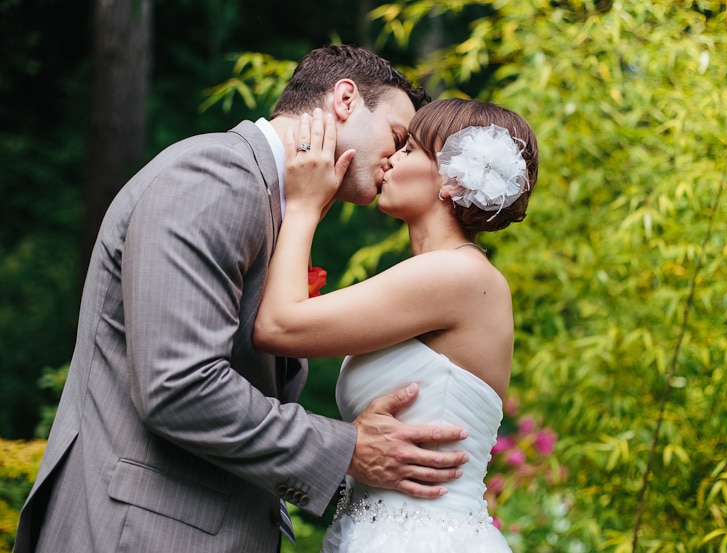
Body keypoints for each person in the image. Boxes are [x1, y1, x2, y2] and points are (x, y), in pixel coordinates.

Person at [13, 45, 471, 553]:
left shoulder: (277, 205)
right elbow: (179, 386)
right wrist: (347, 450)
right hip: (139, 534)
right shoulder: (216, 178)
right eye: (397, 137)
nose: (396, 158)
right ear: (345, 99)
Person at [253, 97, 539, 552]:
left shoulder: (457, 274)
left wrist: (305, 204)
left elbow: (277, 326)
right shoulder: (439, 275)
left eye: (408, 150)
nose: (389, 158)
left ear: (452, 179)